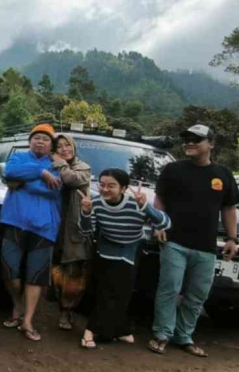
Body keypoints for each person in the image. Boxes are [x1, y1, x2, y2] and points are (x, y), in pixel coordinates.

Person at [148, 124, 239, 357]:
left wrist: (231, 238)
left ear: (211, 144)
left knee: (198, 294)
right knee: (170, 288)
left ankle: (184, 336)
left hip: (206, 247)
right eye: (187, 139)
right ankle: (162, 334)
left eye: (196, 139)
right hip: (174, 241)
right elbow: (160, 199)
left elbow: (228, 208)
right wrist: (159, 224)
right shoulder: (173, 170)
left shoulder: (223, 175)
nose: (189, 143)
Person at [78, 169, 170, 350]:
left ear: (123, 188)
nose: (105, 189)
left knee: (122, 291)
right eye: (102, 184)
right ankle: (90, 331)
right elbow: (86, 231)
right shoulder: (95, 202)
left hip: (130, 249)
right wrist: (86, 212)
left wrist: (146, 207)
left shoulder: (136, 203)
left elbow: (165, 223)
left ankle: (119, 329)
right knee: (105, 290)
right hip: (106, 248)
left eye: (111, 186)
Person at [0, 123, 62, 341]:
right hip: (14, 221)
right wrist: (40, 172)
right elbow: (10, 172)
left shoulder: (58, 163)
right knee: (10, 270)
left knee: (36, 276)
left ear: (51, 145)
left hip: (45, 226)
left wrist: (23, 182)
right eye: (36, 138)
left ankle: (27, 321)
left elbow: (55, 188)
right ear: (30, 141)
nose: (40, 141)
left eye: (45, 139)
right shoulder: (18, 157)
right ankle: (18, 305)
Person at [50, 134, 92, 331]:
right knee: (55, 269)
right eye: (59, 146)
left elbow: (71, 179)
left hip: (73, 229)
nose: (65, 149)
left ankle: (66, 312)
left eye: (68, 145)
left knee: (73, 273)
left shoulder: (83, 167)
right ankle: (56, 304)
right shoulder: (50, 164)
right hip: (52, 225)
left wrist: (59, 164)